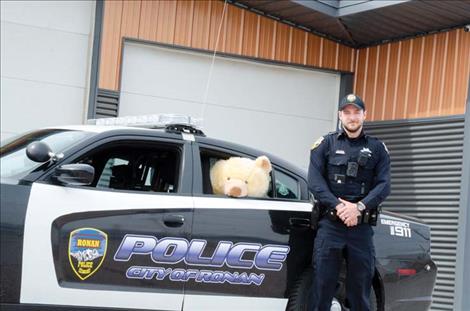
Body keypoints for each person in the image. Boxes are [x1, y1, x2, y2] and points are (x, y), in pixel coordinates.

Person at [307, 94, 391, 311]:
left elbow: (384, 185)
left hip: (361, 230)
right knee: (321, 289)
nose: (352, 117)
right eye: (347, 112)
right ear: (339, 116)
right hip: (330, 227)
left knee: (361, 291)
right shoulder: (325, 144)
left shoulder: (378, 148)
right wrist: (339, 206)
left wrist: (359, 208)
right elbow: (315, 182)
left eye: (356, 112)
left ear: (365, 115)